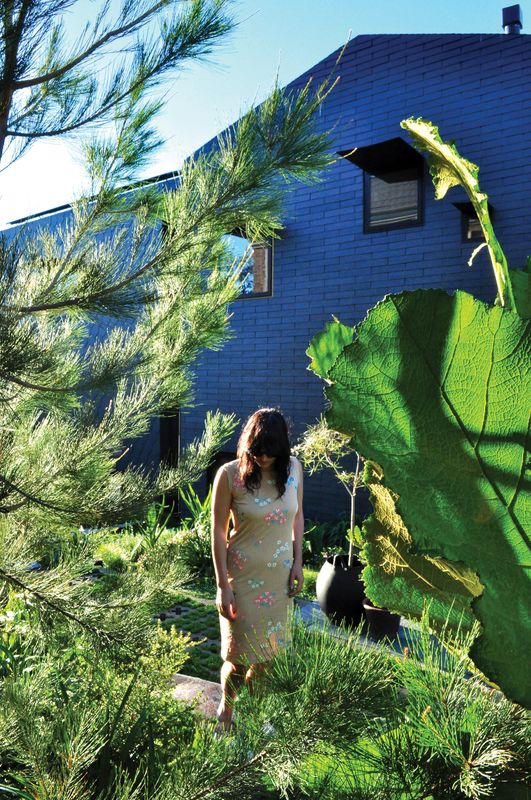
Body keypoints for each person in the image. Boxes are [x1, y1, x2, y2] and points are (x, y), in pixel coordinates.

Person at [211, 408, 304, 730]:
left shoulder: (293, 469)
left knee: (268, 659)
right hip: (242, 581)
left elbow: (297, 517)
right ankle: (227, 704)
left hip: (278, 580)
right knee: (238, 660)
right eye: (257, 450)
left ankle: (256, 716)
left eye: (270, 451)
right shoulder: (229, 474)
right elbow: (218, 531)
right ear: (247, 445)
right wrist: (223, 585)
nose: (264, 457)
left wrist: (298, 563)